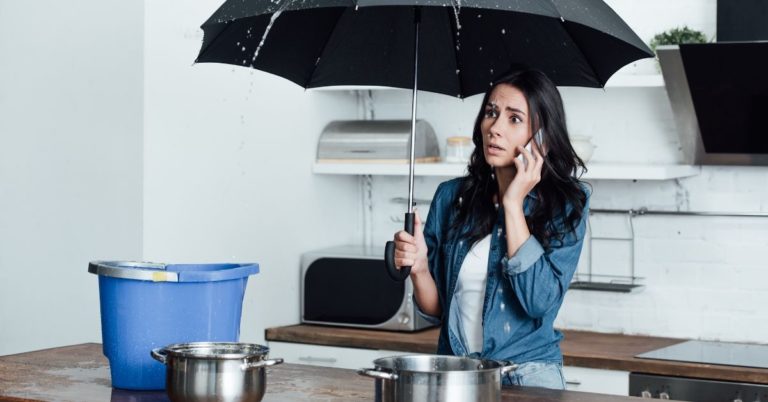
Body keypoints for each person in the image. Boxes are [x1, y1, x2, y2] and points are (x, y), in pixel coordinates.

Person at [393, 67, 590, 389]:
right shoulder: (452, 197)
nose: (494, 128)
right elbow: (437, 310)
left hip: (529, 378)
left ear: (542, 137)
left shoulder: (566, 204)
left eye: (514, 118)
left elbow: (538, 302)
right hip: (457, 374)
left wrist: (513, 205)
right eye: (491, 113)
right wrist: (420, 269)